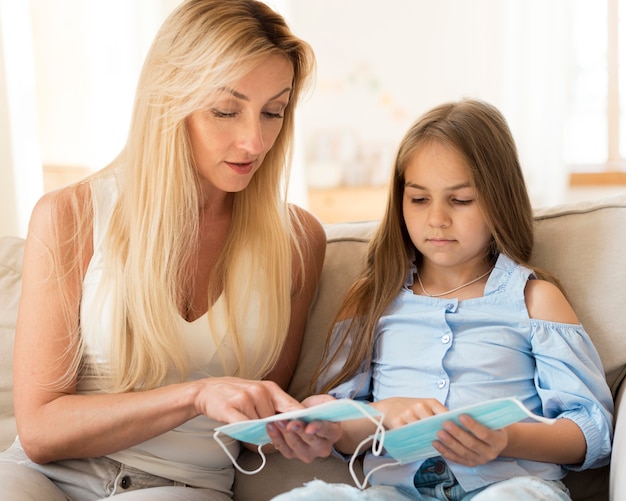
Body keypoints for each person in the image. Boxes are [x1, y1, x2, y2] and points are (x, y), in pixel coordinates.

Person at [0, 0, 339, 499]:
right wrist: (196, 395)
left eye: (273, 112)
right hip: (43, 475)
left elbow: (257, 418)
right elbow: (41, 430)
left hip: (181, 483)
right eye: (226, 110)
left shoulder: (296, 243)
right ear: (169, 101)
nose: (254, 141)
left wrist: (315, 423)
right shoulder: (71, 215)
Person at [270, 99, 614, 500]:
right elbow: (345, 431)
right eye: (418, 199)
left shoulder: (535, 300)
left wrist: (504, 438)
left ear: (499, 199)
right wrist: (339, 424)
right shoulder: (370, 299)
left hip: (509, 487)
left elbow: (592, 430)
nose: (436, 219)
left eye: (461, 200)